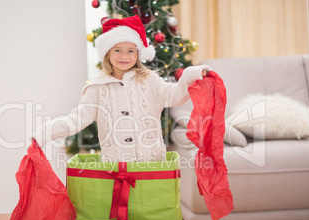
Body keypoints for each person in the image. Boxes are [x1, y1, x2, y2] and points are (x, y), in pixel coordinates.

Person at [32, 15, 211, 162]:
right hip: (116, 167)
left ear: (138, 54)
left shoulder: (150, 81)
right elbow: (76, 120)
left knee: (151, 205)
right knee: (123, 207)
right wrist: (46, 132)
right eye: (117, 50)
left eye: (130, 51)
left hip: (152, 165)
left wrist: (191, 74)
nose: (124, 56)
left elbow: (175, 96)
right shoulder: (96, 88)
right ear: (107, 53)